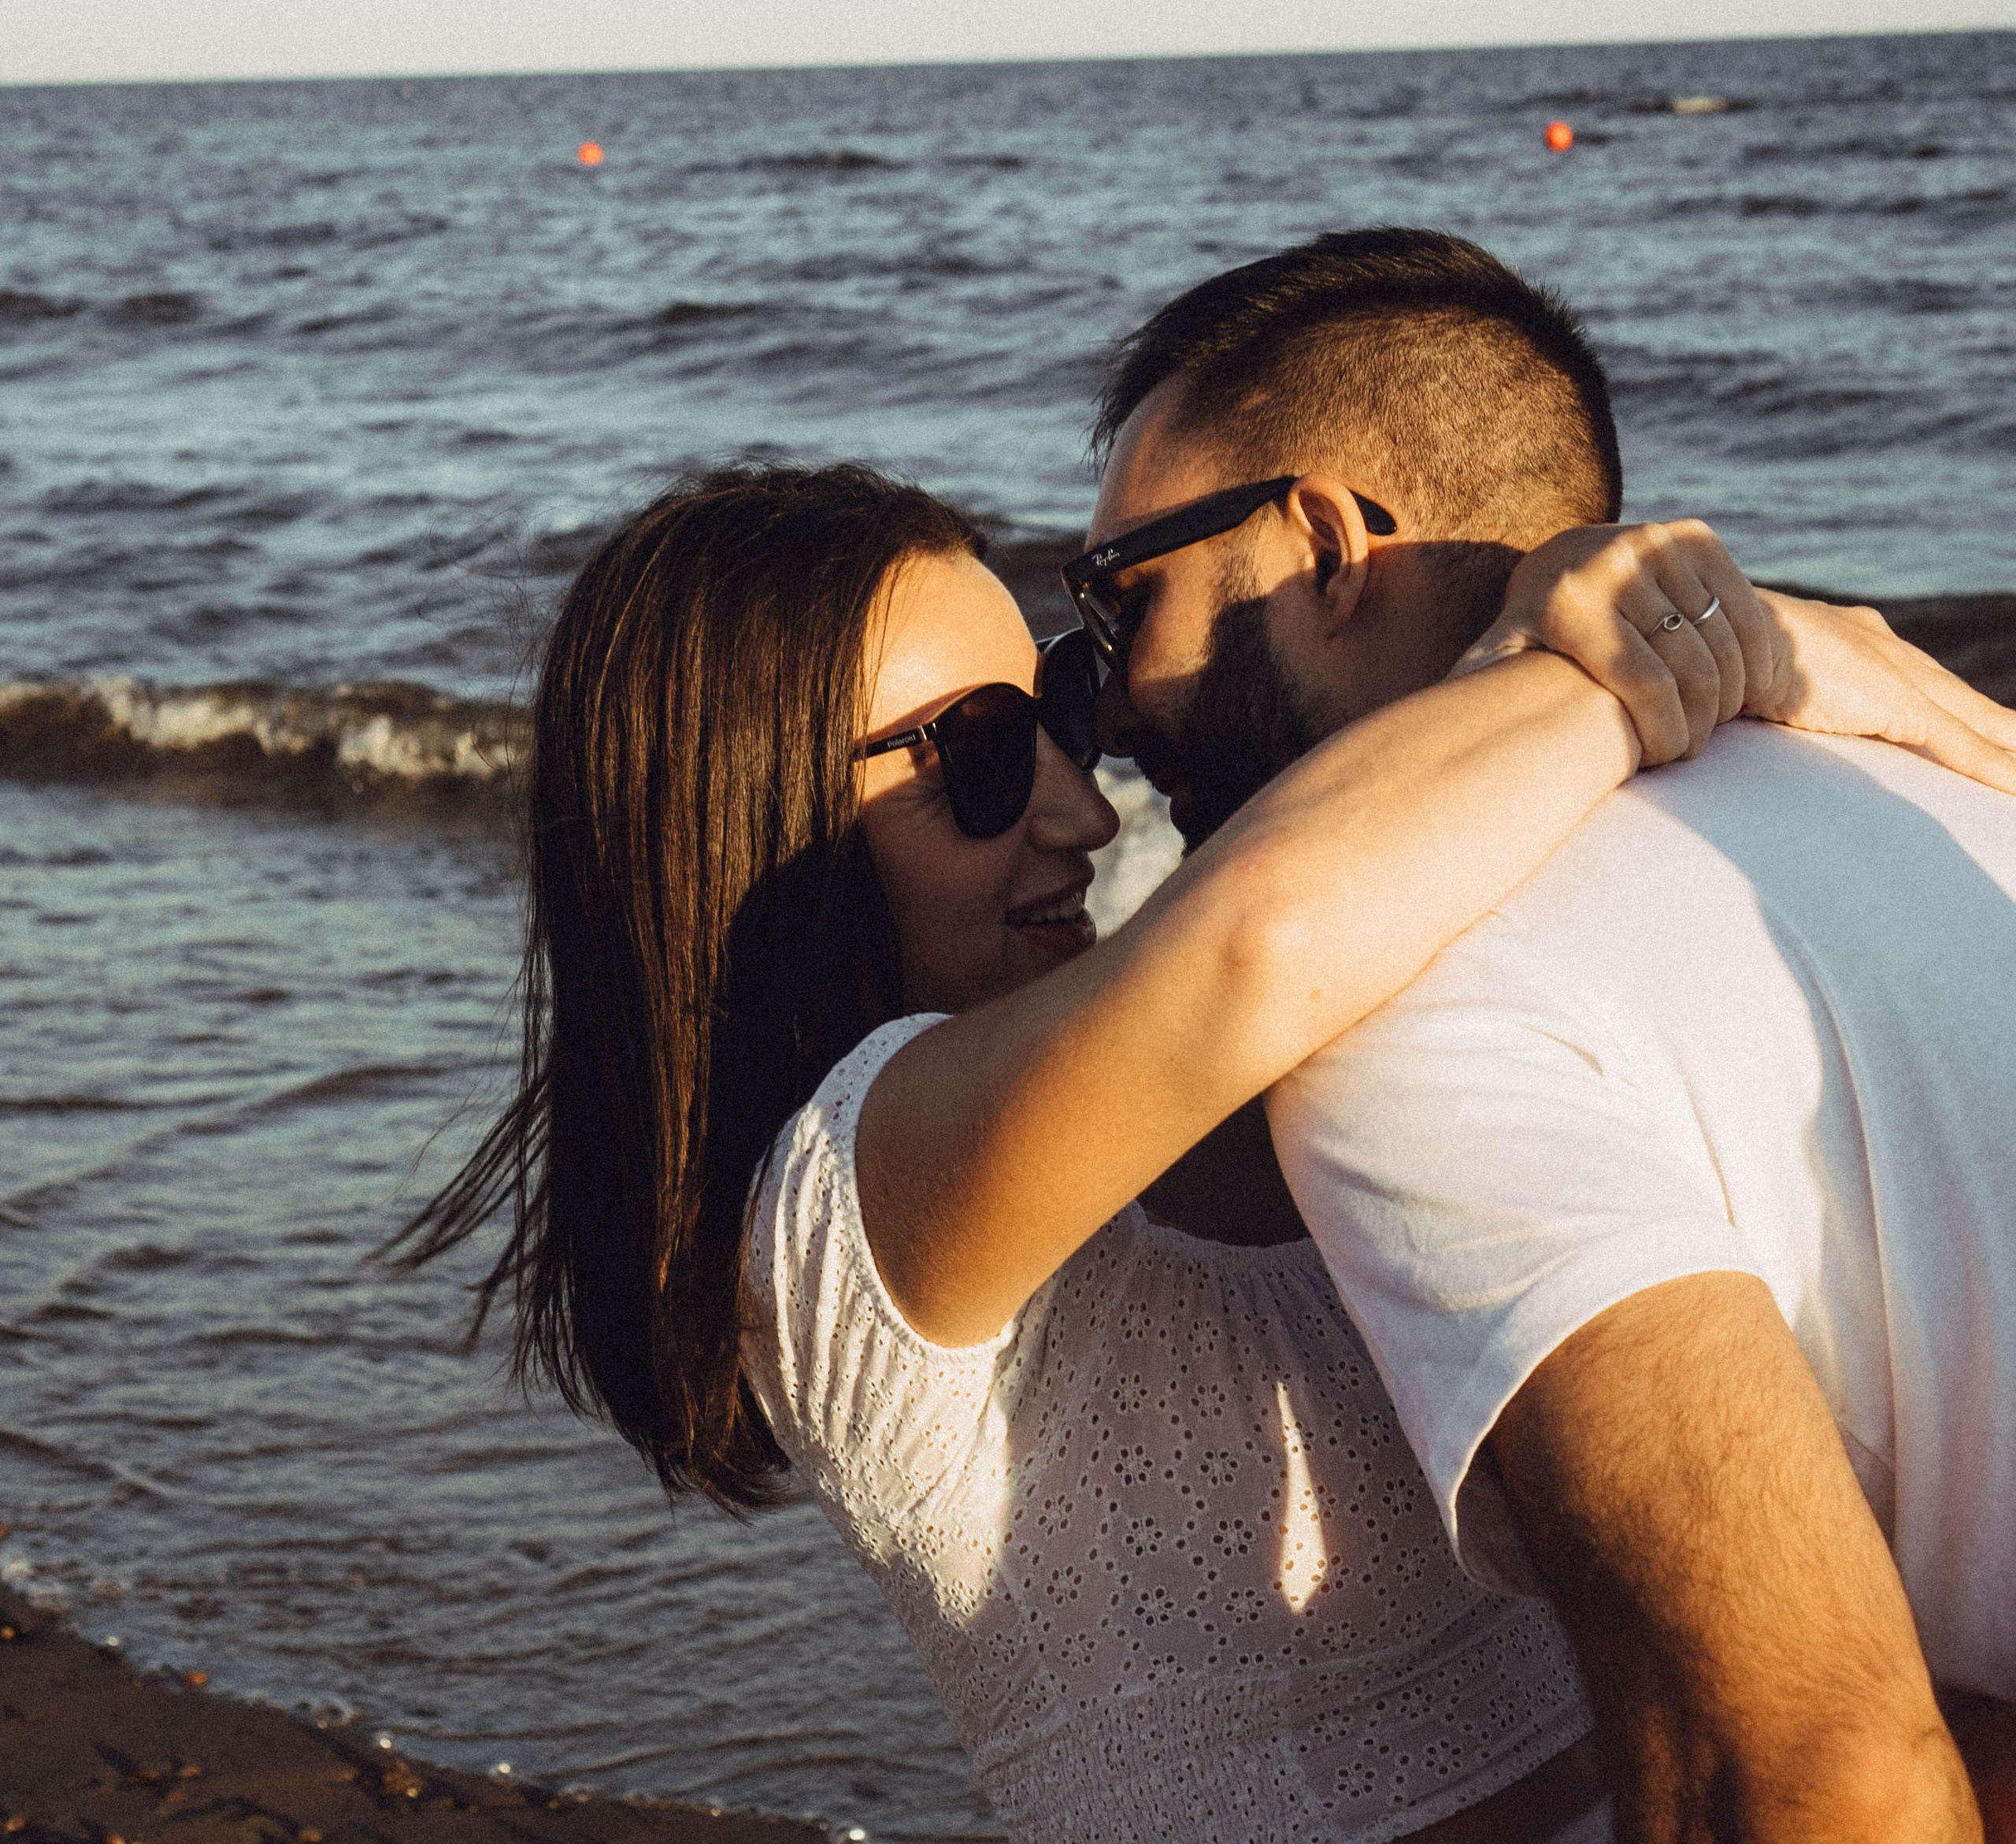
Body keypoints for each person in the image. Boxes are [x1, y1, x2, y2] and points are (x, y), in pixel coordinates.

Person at [409, 450, 2016, 1844]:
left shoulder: (1255, 1066)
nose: (1082, 810)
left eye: (1051, 710)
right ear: (743, 820)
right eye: (975, 758)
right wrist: (1646, 644)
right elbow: (1268, 932)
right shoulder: (836, 1213)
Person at [1076, 226, 2016, 1844]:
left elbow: (1811, 1784)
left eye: (1120, 599)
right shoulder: (1913, 766)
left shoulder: (1418, 1005)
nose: (1099, 705)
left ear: (1322, 544)